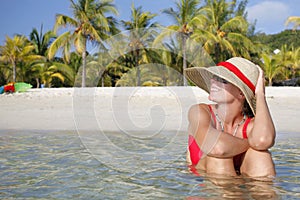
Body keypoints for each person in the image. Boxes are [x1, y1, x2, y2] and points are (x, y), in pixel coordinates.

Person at [184, 57, 276, 177]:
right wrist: (249, 143)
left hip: (235, 181)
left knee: (261, 156)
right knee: (218, 158)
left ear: (241, 93)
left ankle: (263, 195)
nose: (212, 81)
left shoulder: (249, 124)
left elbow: (263, 140)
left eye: (222, 80)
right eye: (214, 77)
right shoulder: (200, 112)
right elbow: (217, 148)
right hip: (201, 184)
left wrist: (260, 95)